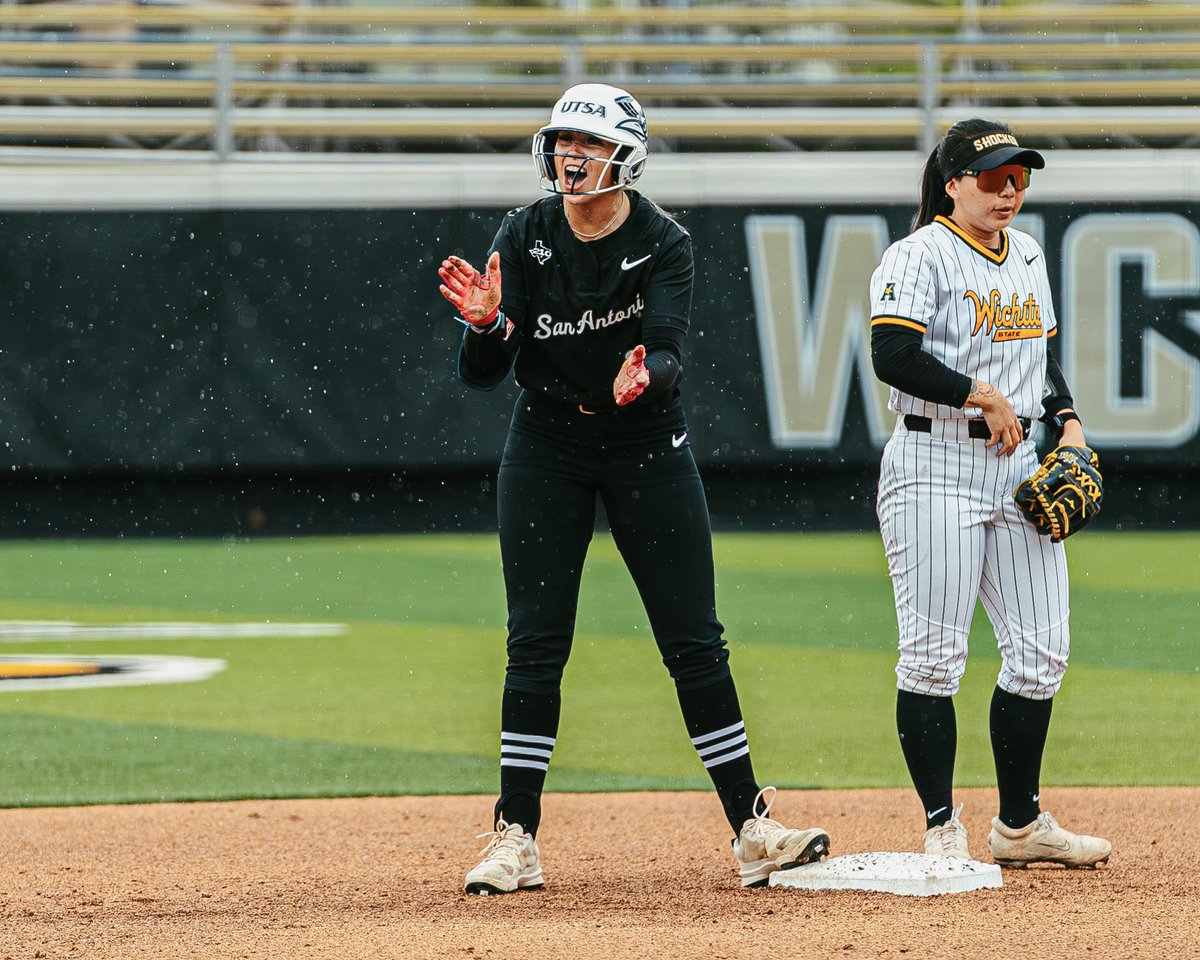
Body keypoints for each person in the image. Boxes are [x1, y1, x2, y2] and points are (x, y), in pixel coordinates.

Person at [438, 82, 830, 894]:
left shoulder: (663, 240)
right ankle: (517, 834)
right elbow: (483, 376)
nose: (572, 156)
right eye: (564, 141)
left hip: (646, 442)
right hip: (547, 438)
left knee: (694, 640)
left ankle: (751, 828)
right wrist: (485, 325)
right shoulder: (526, 231)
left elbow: (670, 349)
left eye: (589, 143)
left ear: (628, 155)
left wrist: (648, 371)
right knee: (535, 642)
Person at [868, 118, 1111, 868]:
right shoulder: (918, 255)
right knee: (934, 659)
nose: (1009, 190)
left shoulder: (1028, 252)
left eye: (1019, 176)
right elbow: (892, 354)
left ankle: (1020, 824)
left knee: (1042, 654)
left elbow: (1039, 357)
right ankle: (943, 826)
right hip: (933, 465)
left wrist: (1067, 422)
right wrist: (978, 393)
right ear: (952, 184)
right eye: (992, 177)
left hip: (1017, 465)